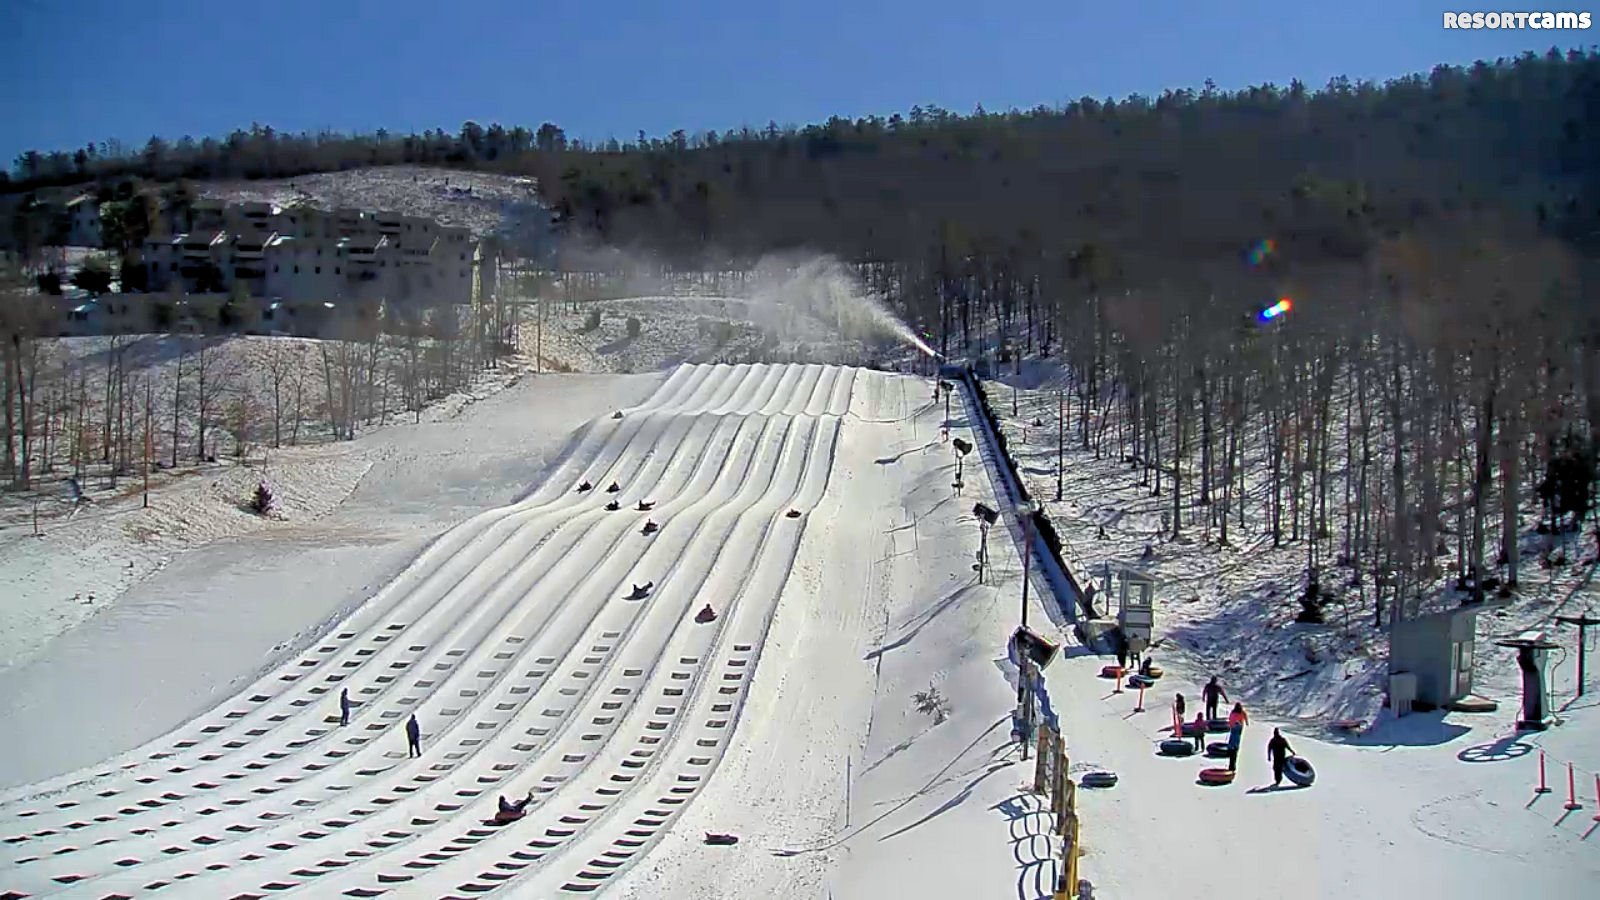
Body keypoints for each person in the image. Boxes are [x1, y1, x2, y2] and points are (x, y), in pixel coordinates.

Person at [1226, 704, 1248, 772]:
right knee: (1237, 736)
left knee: (1233, 735)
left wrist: (1230, 725)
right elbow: (1245, 717)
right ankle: (1235, 745)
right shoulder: (1242, 712)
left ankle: (1231, 745)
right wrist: (1246, 723)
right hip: (1239, 726)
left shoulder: (1233, 712)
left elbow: (1230, 718)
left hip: (1233, 726)